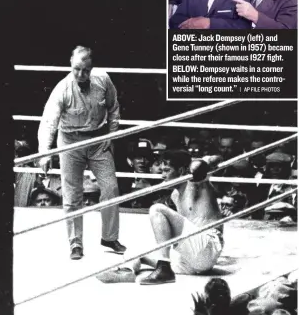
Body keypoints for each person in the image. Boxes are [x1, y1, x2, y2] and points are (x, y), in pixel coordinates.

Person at [38, 45, 125, 260]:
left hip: (98, 139)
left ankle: (109, 236)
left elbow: (114, 108)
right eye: (76, 69)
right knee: (72, 194)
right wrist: (45, 153)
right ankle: (75, 243)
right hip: (70, 141)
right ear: (70, 64)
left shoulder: (103, 80)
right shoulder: (62, 89)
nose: (80, 74)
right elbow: (49, 122)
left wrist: (110, 137)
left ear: (92, 67)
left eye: (85, 70)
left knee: (111, 187)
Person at [98, 150, 224, 285]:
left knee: (157, 209)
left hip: (207, 247)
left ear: (181, 170)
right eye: (162, 171)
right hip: (190, 260)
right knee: (137, 247)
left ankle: (164, 269)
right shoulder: (175, 195)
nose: (163, 175)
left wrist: (201, 164)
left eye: (167, 170)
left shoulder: (196, 184)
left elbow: (216, 158)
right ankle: (127, 271)